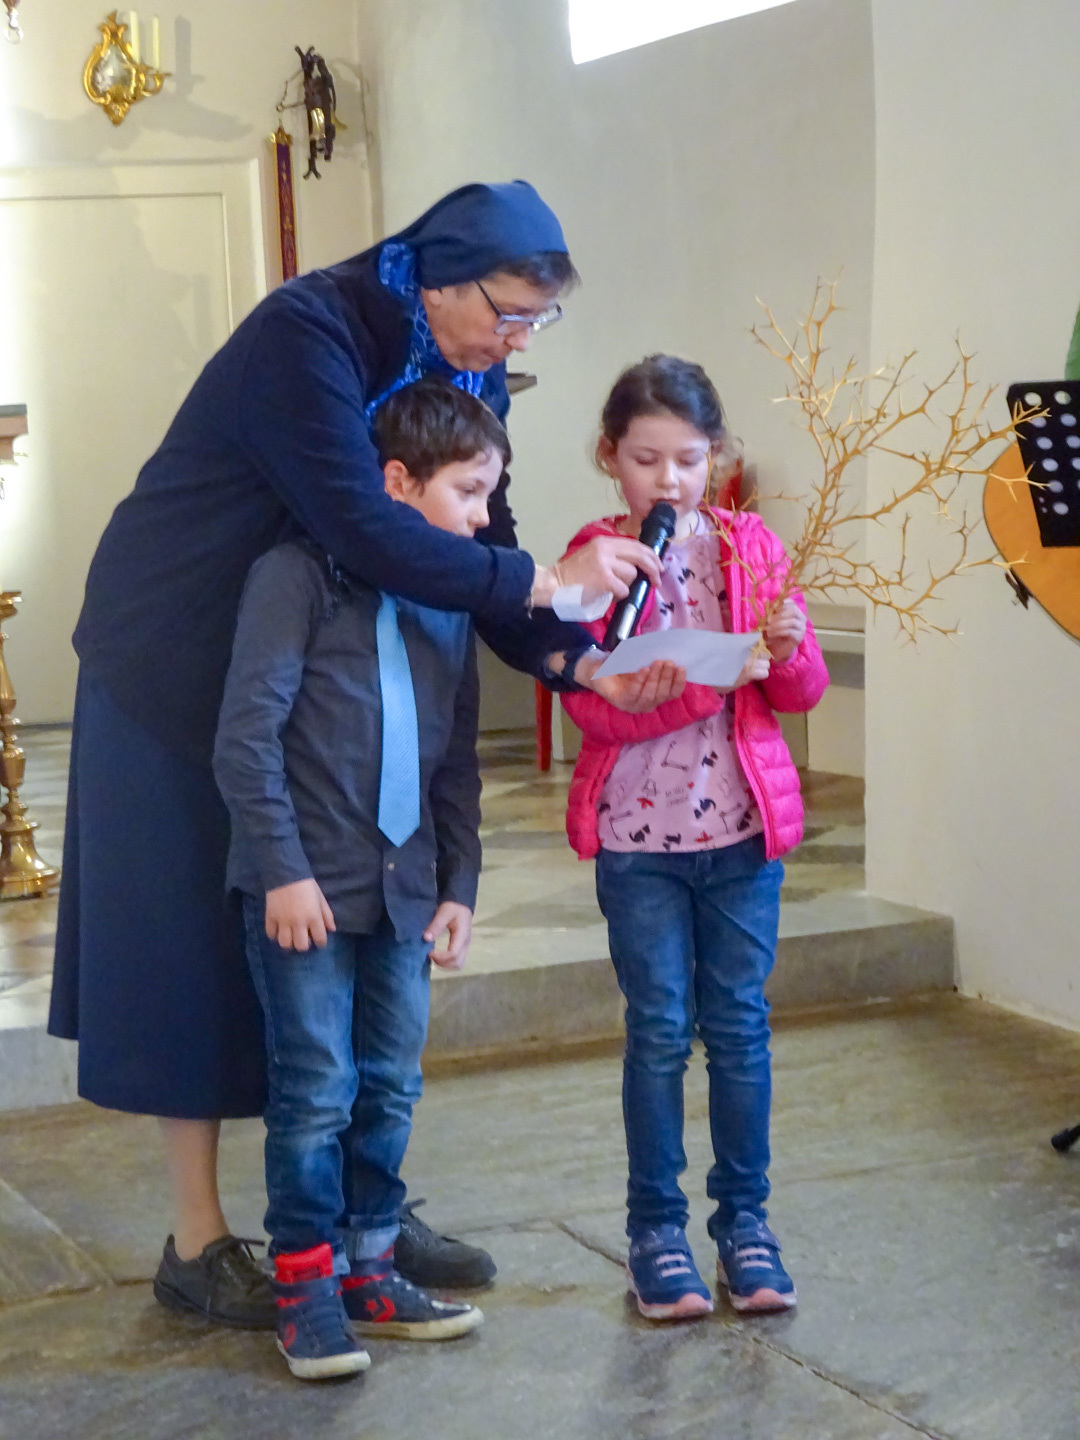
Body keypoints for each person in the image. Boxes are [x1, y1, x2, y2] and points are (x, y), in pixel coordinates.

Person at [50, 180, 683, 1329]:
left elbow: (481, 535)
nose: (518, 340)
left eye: (539, 321)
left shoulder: (468, 359)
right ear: (440, 278)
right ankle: (198, 1241)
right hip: (179, 655)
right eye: (508, 313)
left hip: (328, 679)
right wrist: (549, 584)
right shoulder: (309, 333)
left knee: (355, 951)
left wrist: (577, 662)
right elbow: (359, 522)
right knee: (198, 955)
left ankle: (358, 1225)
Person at [213, 378, 504, 1379]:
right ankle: (305, 1287)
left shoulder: (449, 601)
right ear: (396, 483)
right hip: (307, 891)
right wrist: (283, 872)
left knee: (389, 1085)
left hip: (407, 892)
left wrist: (459, 884)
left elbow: (455, 762)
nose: (484, 519)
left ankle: (371, 1266)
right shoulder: (295, 577)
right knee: (315, 1090)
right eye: (469, 493)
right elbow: (245, 739)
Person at [559, 356, 829, 1320]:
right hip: (640, 843)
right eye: (646, 460)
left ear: (716, 456)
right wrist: (682, 692)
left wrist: (787, 652)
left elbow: (800, 692)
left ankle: (747, 1226)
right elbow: (592, 709)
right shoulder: (595, 558)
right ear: (610, 457)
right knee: (661, 1030)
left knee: (741, 1028)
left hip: (742, 835)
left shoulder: (751, 548)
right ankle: (656, 1232)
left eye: (687, 459)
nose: (668, 480)